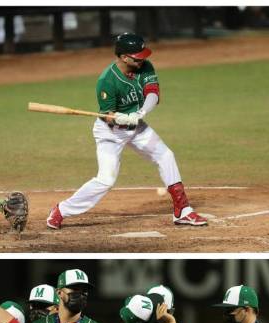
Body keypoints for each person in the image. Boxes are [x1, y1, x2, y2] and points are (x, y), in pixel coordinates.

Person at [46, 32, 208, 230]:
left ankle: (183, 211)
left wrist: (140, 113)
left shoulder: (144, 66)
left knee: (166, 156)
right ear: (123, 57)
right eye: (137, 57)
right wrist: (117, 118)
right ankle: (61, 210)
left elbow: (153, 94)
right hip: (110, 133)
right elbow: (107, 115)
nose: (143, 60)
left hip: (137, 128)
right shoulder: (107, 80)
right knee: (106, 180)